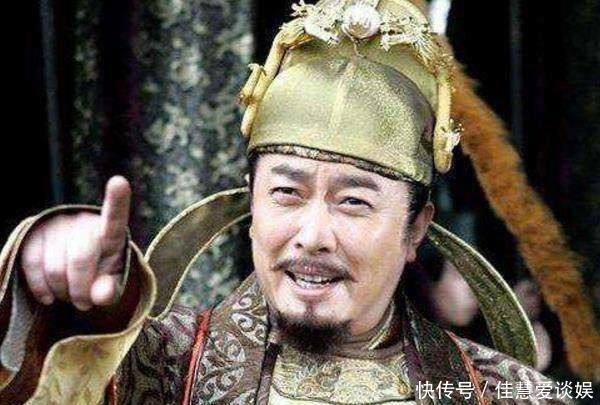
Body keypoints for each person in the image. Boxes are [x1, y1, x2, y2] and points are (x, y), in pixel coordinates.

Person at [0, 1, 577, 404]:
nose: (313, 235)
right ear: (251, 205)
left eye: (354, 201)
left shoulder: (507, 393)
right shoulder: (158, 369)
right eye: (287, 193)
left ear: (415, 229)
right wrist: (48, 293)